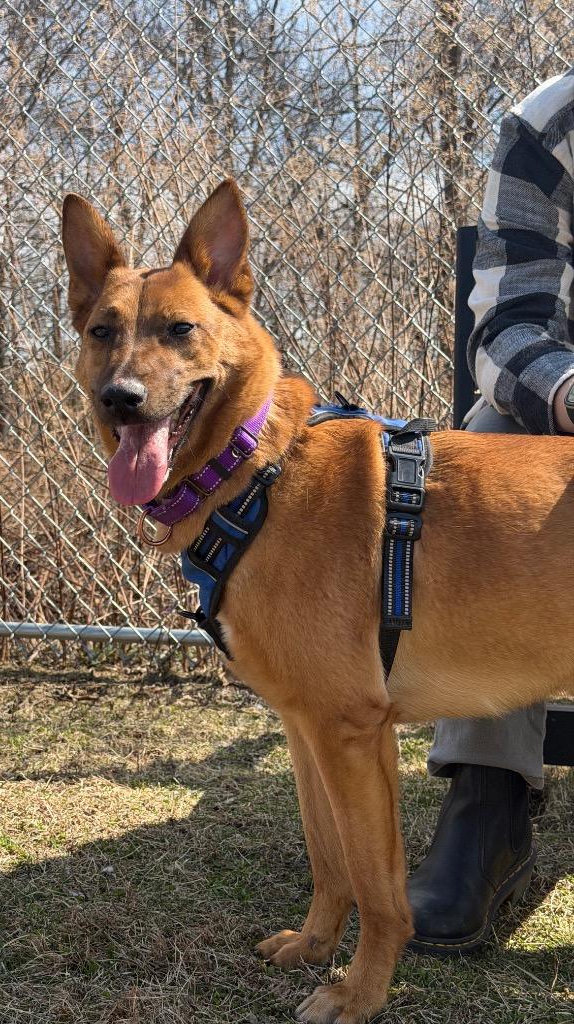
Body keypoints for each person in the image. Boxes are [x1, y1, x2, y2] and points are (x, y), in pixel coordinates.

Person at [408, 67, 574, 953]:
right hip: (562, 400)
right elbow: (507, 327)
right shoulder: (550, 126)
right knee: (488, 453)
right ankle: (489, 798)